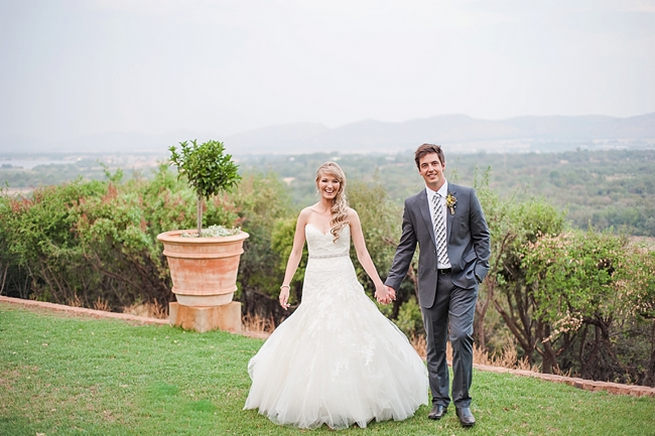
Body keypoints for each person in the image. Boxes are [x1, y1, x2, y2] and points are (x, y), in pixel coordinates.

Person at [244, 161, 428, 430]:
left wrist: (379, 283)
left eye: (335, 181)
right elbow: (296, 253)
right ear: (317, 183)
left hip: (342, 275)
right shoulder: (305, 215)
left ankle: (355, 400)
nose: (330, 186)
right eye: (325, 181)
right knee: (313, 331)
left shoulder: (350, 215)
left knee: (347, 328)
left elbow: (362, 253)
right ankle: (314, 398)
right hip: (315, 277)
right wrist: (285, 285)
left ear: (341, 185)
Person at [380, 144, 490, 428]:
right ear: (419, 171)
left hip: (463, 280)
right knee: (435, 345)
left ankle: (463, 403)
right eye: (424, 165)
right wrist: (392, 282)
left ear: (443, 165)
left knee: (462, 336)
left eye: (434, 163)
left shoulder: (465, 196)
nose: (430, 169)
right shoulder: (413, 204)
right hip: (431, 282)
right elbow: (406, 247)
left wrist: (477, 272)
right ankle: (440, 400)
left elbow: (482, 237)